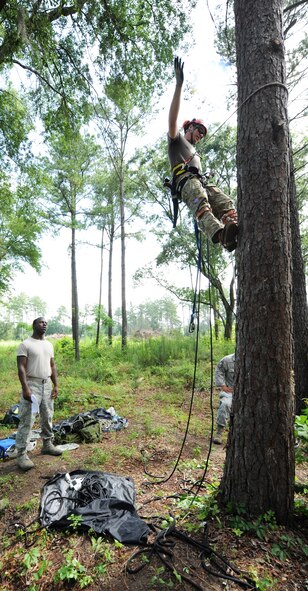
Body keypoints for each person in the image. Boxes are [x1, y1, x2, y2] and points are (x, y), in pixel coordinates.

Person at [167, 56, 238, 251]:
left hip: (201, 182)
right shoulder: (177, 141)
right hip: (188, 184)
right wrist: (179, 86)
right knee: (202, 204)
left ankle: (233, 228)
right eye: (199, 130)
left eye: (203, 133)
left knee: (225, 201)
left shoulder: (195, 151)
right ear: (189, 127)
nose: (200, 135)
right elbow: (172, 121)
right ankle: (221, 235)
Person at [15, 317, 62, 471]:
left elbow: (52, 365)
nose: (44, 324)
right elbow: (21, 368)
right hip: (32, 384)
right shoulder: (26, 344)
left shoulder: (48, 345)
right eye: (41, 322)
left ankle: (47, 444)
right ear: (34, 325)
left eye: (46, 322)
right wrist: (25, 388)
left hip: (46, 383)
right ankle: (21, 454)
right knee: (27, 419)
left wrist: (55, 384)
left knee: (48, 416)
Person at [213, 353, 235, 444]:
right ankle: (219, 433)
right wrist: (223, 385)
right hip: (229, 392)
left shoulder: (253, 359)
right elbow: (219, 371)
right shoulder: (227, 360)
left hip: (249, 393)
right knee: (225, 404)